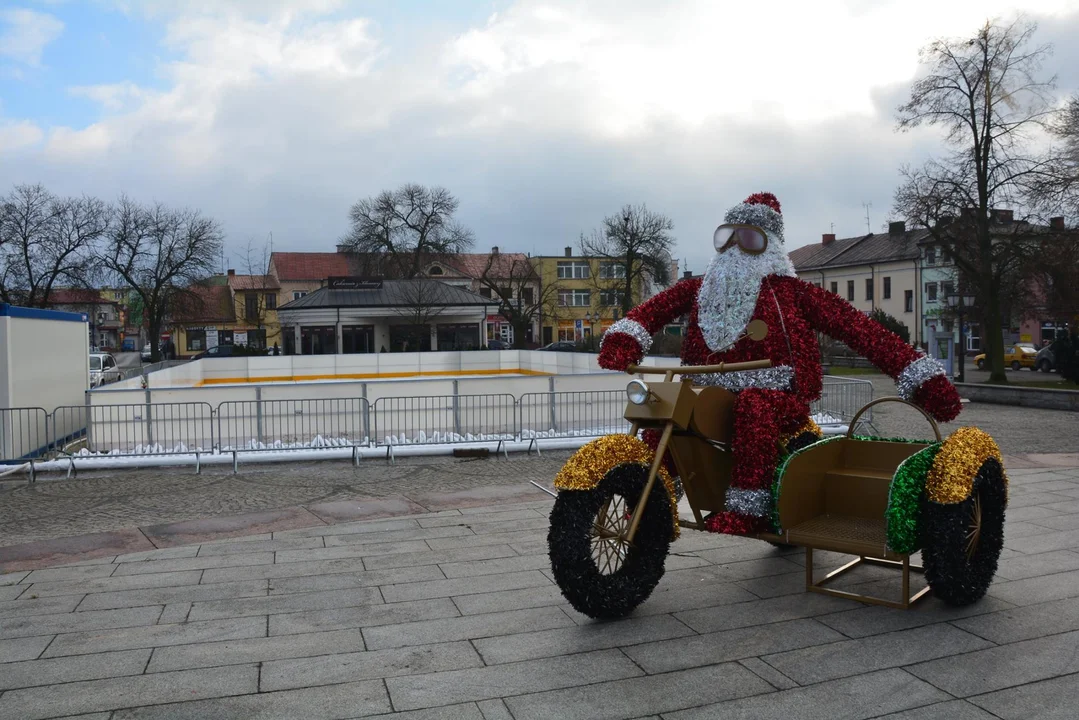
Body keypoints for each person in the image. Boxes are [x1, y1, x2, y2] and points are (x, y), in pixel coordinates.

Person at [598, 192, 961, 535]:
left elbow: (857, 328)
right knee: (665, 413)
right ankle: (645, 501)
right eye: (726, 237)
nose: (734, 248)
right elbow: (653, 309)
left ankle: (748, 508)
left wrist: (918, 374)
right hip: (706, 389)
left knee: (755, 407)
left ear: (770, 246)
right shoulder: (701, 288)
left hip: (778, 393)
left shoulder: (789, 291)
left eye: (749, 239)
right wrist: (625, 337)